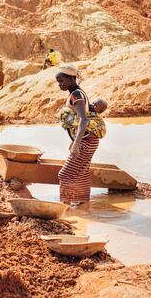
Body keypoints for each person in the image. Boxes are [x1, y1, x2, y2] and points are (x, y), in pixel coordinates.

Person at [55, 65, 101, 206]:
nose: (59, 84)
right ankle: (83, 205)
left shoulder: (76, 95)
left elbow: (83, 119)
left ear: (71, 78)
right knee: (81, 173)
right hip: (89, 140)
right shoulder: (78, 93)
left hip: (86, 141)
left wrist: (76, 144)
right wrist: (75, 140)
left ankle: (65, 207)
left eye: (62, 81)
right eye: (58, 81)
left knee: (64, 174)